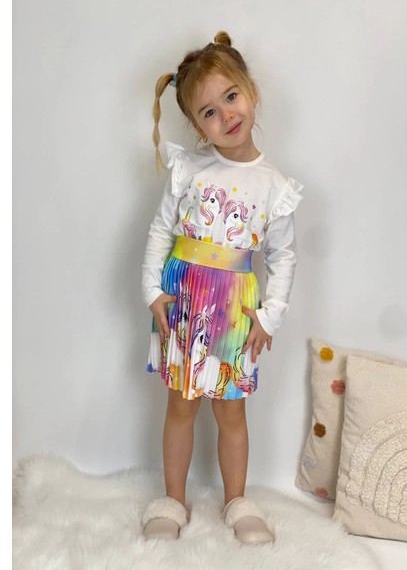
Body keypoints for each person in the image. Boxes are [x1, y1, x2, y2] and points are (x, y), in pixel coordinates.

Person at [141, 31, 303, 545]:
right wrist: (152, 290)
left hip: (234, 311)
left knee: (231, 409)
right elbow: (161, 230)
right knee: (181, 405)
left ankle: (237, 501)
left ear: (251, 91)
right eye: (209, 112)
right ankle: (173, 500)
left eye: (231, 97)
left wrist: (268, 316)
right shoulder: (189, 169)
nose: (226, 115)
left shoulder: (274, 186)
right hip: (183, 302)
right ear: (197, 126)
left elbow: (282, 256)